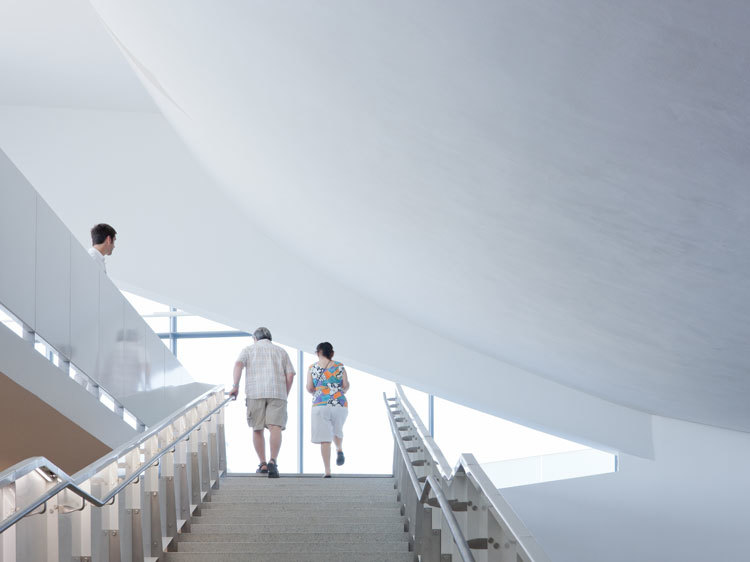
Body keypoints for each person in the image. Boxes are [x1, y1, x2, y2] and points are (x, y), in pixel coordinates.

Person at [230, 327, 295, 478]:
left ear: (255, 338)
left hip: (255, 392)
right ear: (270, 338)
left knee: (257, 428)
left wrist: (235, 386)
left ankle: (263, 464)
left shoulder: (248, 350)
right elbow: (290, 374)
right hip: (277, 393)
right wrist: (284, 393)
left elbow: (238, 365)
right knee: (275, 427)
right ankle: (273, 460)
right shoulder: (281, 351)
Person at [306, 342, 350, 477]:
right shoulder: (340, 366)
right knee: (337, 430)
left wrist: (318, 390)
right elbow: (346, 386)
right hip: (339, 403)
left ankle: (327, 471)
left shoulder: (312, 368)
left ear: (318, 353)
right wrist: (337, 390)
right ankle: (339, 449)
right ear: (332, 353)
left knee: (325, 439)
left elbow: (309, 388)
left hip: (321, 404)